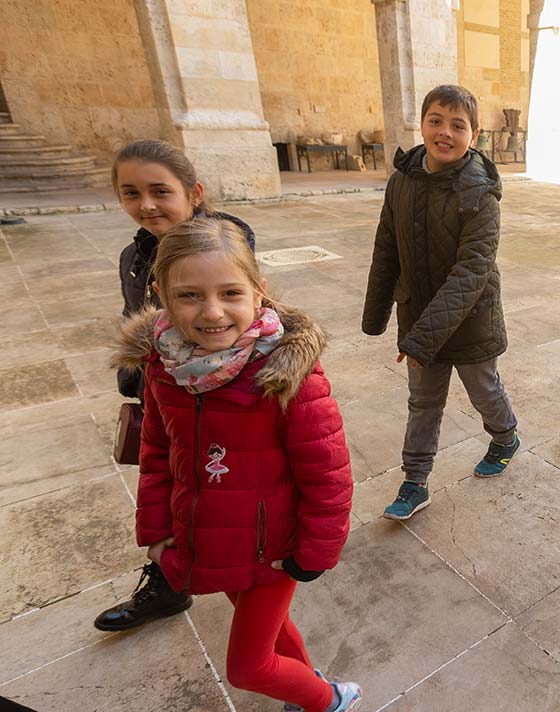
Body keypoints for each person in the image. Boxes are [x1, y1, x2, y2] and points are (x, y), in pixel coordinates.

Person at [112, 218, 361, 711]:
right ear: (160, 294)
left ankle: (328, 700)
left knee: (247, 667)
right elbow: (158, 455)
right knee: (269, 635)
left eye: (230, 292)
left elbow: (328, 474)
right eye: (189, 296)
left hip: (275, 548)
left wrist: (314, 553)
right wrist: (158, 531)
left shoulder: (287, 375)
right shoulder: (163, 367)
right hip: (210, 538)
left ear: (258, 292)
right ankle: (305, 681)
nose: (212, 312)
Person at [94, 139, 256, 634]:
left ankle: (248, 578)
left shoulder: (223, 241)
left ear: (193, 192)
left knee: (219, 489)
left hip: (214, 398)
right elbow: (137, 319)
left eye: (159, 191)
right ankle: (169, 582)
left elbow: (238, 317)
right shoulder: (134, 255)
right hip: (161, 391)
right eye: (131, 193)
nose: (145, 204)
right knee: (171, 487)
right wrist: (134, 373)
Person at [362, 84, 520, 522]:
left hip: (471, 320)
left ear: (475, 133)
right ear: (422, 123)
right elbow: (386, 248)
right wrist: (376, 315)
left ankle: (505, 436)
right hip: (418, 317)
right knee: (424, 402)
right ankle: (414, 481)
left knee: (483, 391)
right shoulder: (402, 182)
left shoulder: (480, 192)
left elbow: (472, 271)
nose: (445, 132)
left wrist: (420, 340)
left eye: (458, 125)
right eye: (436, 121)